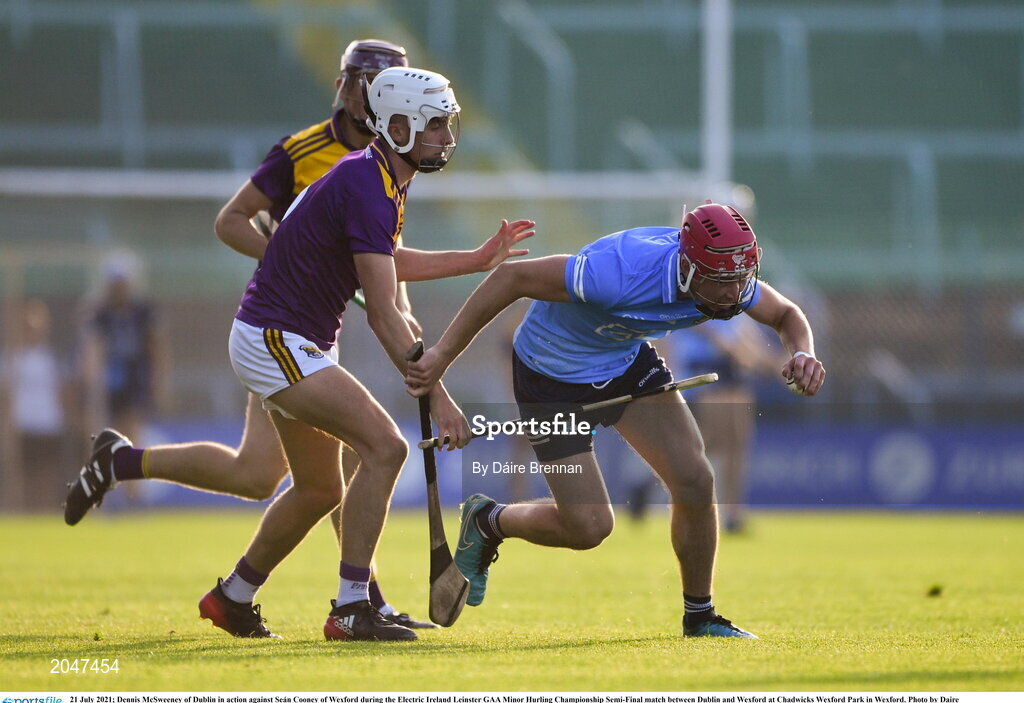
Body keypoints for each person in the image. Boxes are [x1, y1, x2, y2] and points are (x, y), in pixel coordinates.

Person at [62, 41, 524, 630]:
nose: (444, 135)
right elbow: (383, 312)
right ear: (399, 124)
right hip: (276, 338)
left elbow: (386, 261)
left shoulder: (381, 175)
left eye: (445, 123)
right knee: (386, 447)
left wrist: (475, 259)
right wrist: (436, 392)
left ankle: (231, 597)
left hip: (293, 337)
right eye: (434, 124)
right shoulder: (367, 180)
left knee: (316, 487)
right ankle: (354, 606)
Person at [406, 201, 826, 638]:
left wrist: (803, 351)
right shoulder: (618, 273)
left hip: (624, 362)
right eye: (721, 282)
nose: (734, 294)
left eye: (741, 279)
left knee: (695, 479)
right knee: (588, 527)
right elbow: (513, 278)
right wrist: (441, 356)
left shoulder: (728, 277)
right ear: (687, 267)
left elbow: (785, 315)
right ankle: (489, 520)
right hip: (550, 374)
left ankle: (700, 616)